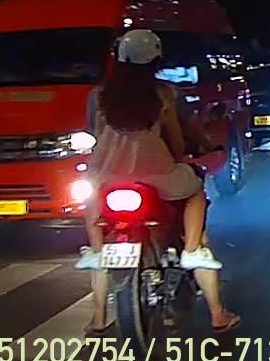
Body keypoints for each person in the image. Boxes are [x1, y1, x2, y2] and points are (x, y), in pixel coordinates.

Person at [76, 29, 240, 334]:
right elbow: (177, 141)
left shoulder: (97, 97)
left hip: (106, 175)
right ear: (156, 60)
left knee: (94, 211)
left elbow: (96, 134)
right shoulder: (164, 94)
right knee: (195, 191)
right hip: (157, 173)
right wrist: (185, 154)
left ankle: (98, 312)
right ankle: (199, 269)